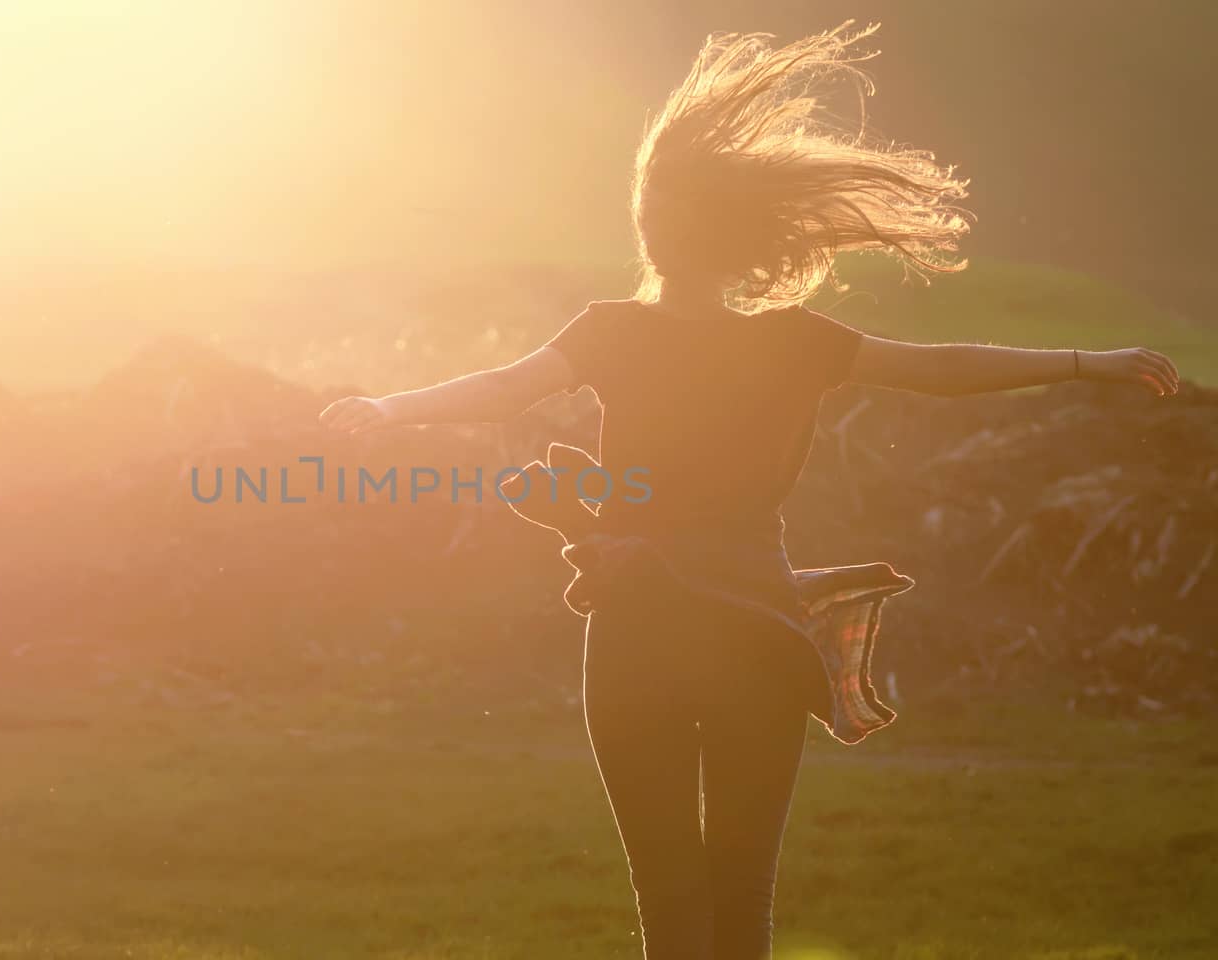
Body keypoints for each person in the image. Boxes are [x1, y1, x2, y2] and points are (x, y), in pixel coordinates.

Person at [318, 21, 1178, 960]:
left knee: (667, 897)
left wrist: (388, 409)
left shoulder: (610, 331)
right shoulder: (797, 343)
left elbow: (499, 389)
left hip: (638, 625)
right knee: (743, 898)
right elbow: (943, 368)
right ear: (751, 237)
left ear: (650, 227)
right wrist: (1090, 359)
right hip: (753, 627)